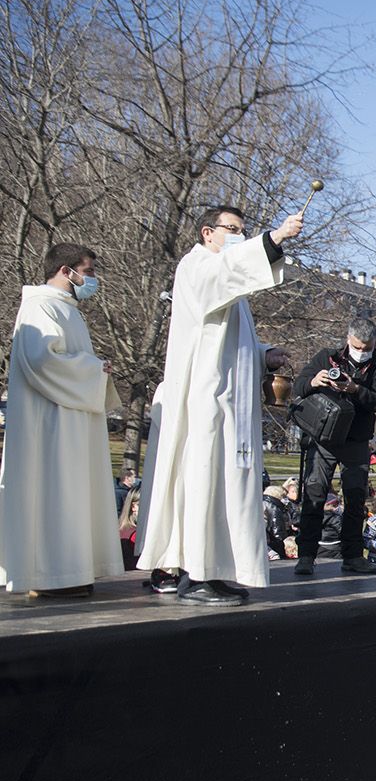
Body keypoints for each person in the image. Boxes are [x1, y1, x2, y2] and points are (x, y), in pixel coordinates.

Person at [138, 205, 298, 606]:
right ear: (208, 232)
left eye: (244, 231)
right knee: (207, 484)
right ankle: (197, 574)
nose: (239, 237)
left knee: (230, 489)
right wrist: (273, 239)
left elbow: (225, 342)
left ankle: (220, 569)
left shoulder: (229, 287)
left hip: (233, 406)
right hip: (209, 403)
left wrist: (264, 354)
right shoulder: (196, 268)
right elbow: (225, 275)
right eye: (233, 230)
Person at [0, 243, 123, 597]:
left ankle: (71, 570)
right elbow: (42, 361)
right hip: (49, 424)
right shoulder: (40, 307)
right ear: (66, 271)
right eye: (88, 271)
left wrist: (94, 370)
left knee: (73, 494)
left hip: (71, 418)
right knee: (54, 492)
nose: (93, 279)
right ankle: (50, 575)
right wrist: (93, 369)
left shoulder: (67, 310)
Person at [291, 319, 376, 576]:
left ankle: (353, 556)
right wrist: (315, 381)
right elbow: (299, 387)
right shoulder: (327, 357)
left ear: (374, 343)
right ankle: (306, 556)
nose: (362, 350)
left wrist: (355, 388)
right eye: (358, 346)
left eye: (367, 346)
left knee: (356, 499)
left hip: (356, 442)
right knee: (314, 496)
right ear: (348, 339)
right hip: (323, 438)